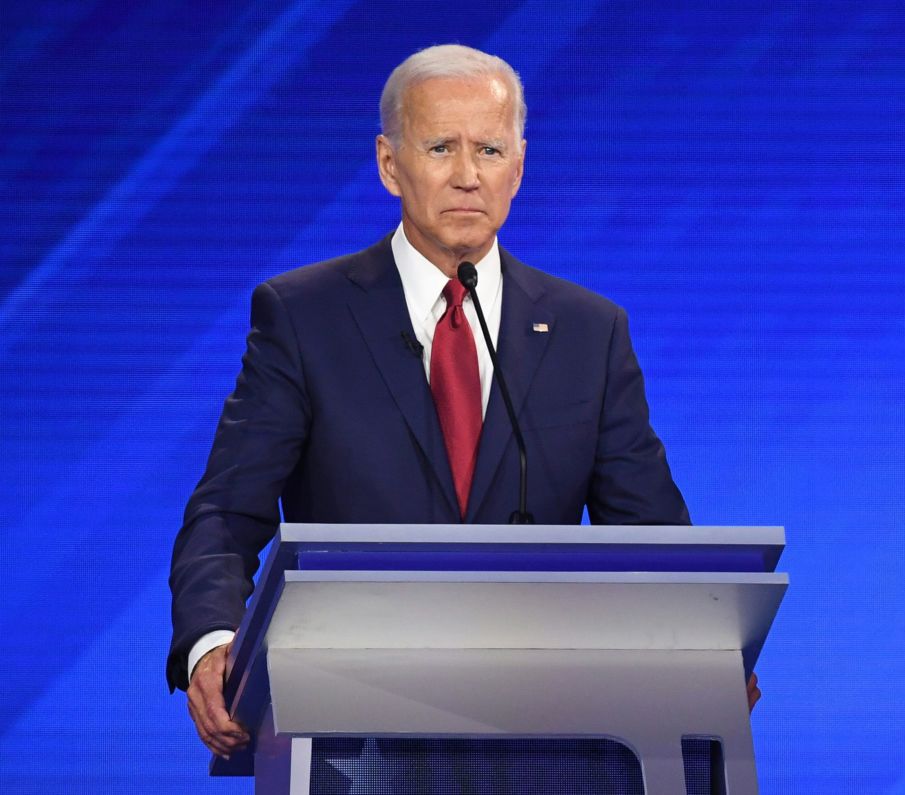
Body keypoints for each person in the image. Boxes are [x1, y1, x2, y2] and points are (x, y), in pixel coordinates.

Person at [169, 44, 755, 761]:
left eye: (490, 148)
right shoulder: (303, 316)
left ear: (520, 164)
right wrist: (213, 640)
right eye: (441, 146)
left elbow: (653, 540)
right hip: (353, 737)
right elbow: (227, 513)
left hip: (549, 737)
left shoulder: (588, 331)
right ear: (390, 164)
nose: (468, 175)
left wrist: (705, 650)